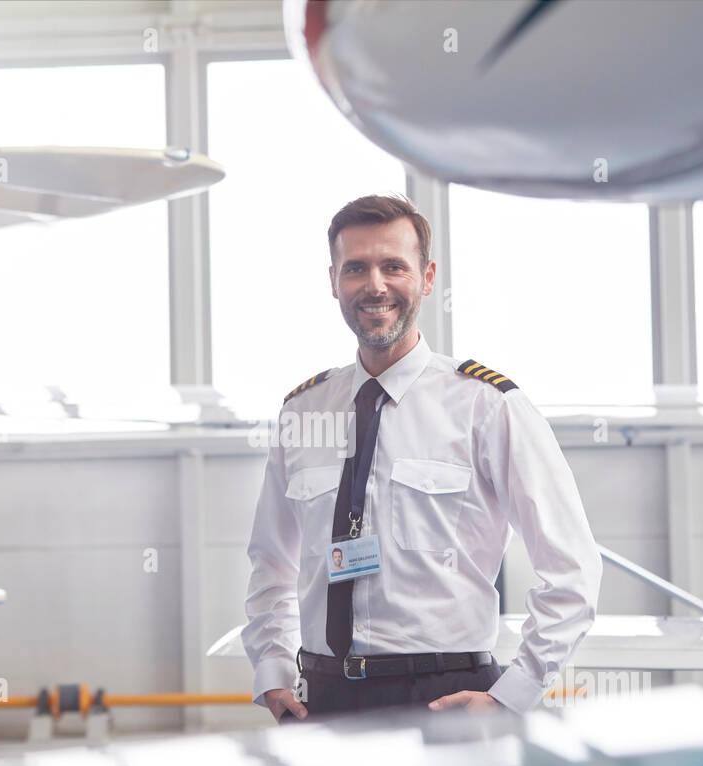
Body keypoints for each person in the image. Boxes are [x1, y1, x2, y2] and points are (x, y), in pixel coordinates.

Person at [242, 193, 602, 724]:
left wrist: (514, 693)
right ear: (334, 281)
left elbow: (571, 567)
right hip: (324, 697)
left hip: (445, 696)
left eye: (394, 266)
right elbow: (271, 562)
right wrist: (273, 672)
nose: (375, 285)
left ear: (428, 277)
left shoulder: (487, 406)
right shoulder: (302, 410)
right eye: (356, 268)